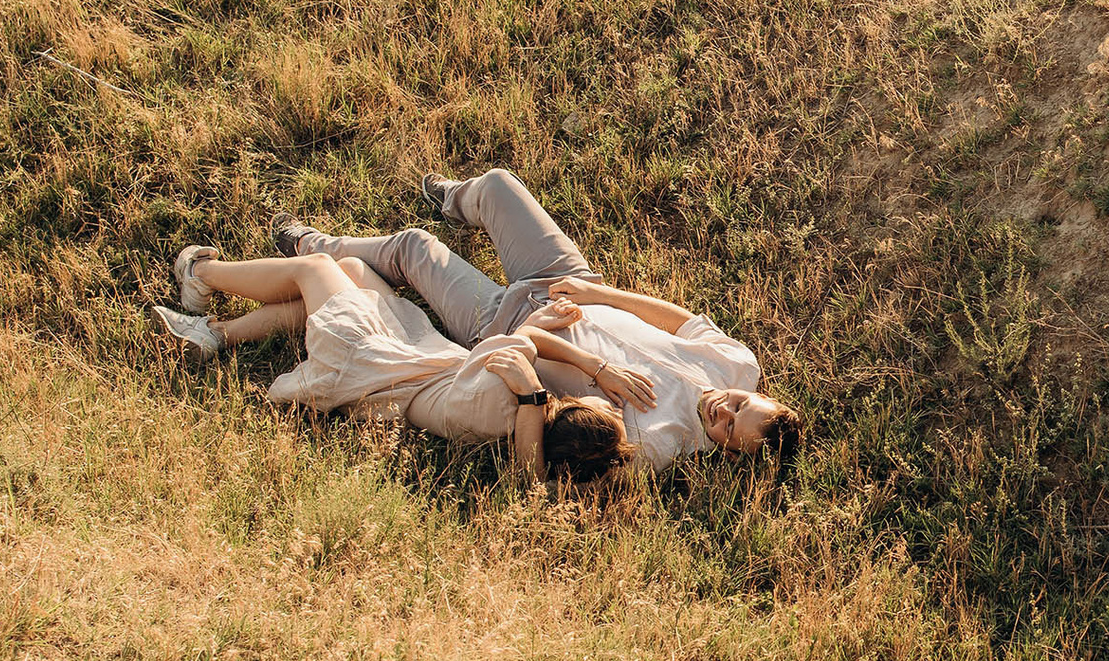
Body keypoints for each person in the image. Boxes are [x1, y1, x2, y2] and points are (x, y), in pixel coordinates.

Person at [274, 169, 801, 473]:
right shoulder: (738, 364)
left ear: (730, 451)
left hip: (506, 325)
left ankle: (310, 246)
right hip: (570, 280)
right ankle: (455, 198)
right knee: (499, 186)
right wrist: (597, 290)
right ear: (757, 394)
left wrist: (595, 369)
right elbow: (677, 321)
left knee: (415, 249)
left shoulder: (663, 442)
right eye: (739, 406)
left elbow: (558, 428)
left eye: (728, 429)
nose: (722, 411)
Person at [147, 249, 632, 484]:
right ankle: (215, 335)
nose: (598, 396)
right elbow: (532, 480)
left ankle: (199, 275)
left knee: (314, 267)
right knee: (354, 274)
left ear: (572, 412)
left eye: (599, 406)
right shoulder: (518, 418)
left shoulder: (512, 392)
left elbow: (518, 344)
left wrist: (541, 380)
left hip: (370, 358)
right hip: (404, 358)